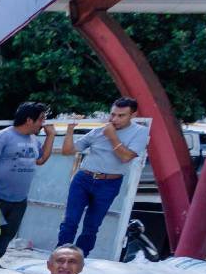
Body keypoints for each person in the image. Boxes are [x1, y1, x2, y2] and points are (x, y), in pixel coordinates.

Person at [58, 97, 149, 254]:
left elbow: (126, 157)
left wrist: (112, 136)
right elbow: (68, 151)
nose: (115, 119)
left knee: (92, 226)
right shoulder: (98, 131)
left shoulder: (139, 132)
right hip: (83, 179)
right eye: (113, 114)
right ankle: (60, 255)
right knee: (70, 221)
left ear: (133, 115)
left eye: (121, 115)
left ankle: (79, 259)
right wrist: (70, 130)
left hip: (109, 182)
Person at [0, 101, 57, 265]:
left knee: (8, 233)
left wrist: (51, 136)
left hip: (19, 199)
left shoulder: (33, 139)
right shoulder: (4, 136)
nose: (43, 124)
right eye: (41, 119)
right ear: (29, 120)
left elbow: (41, 159)